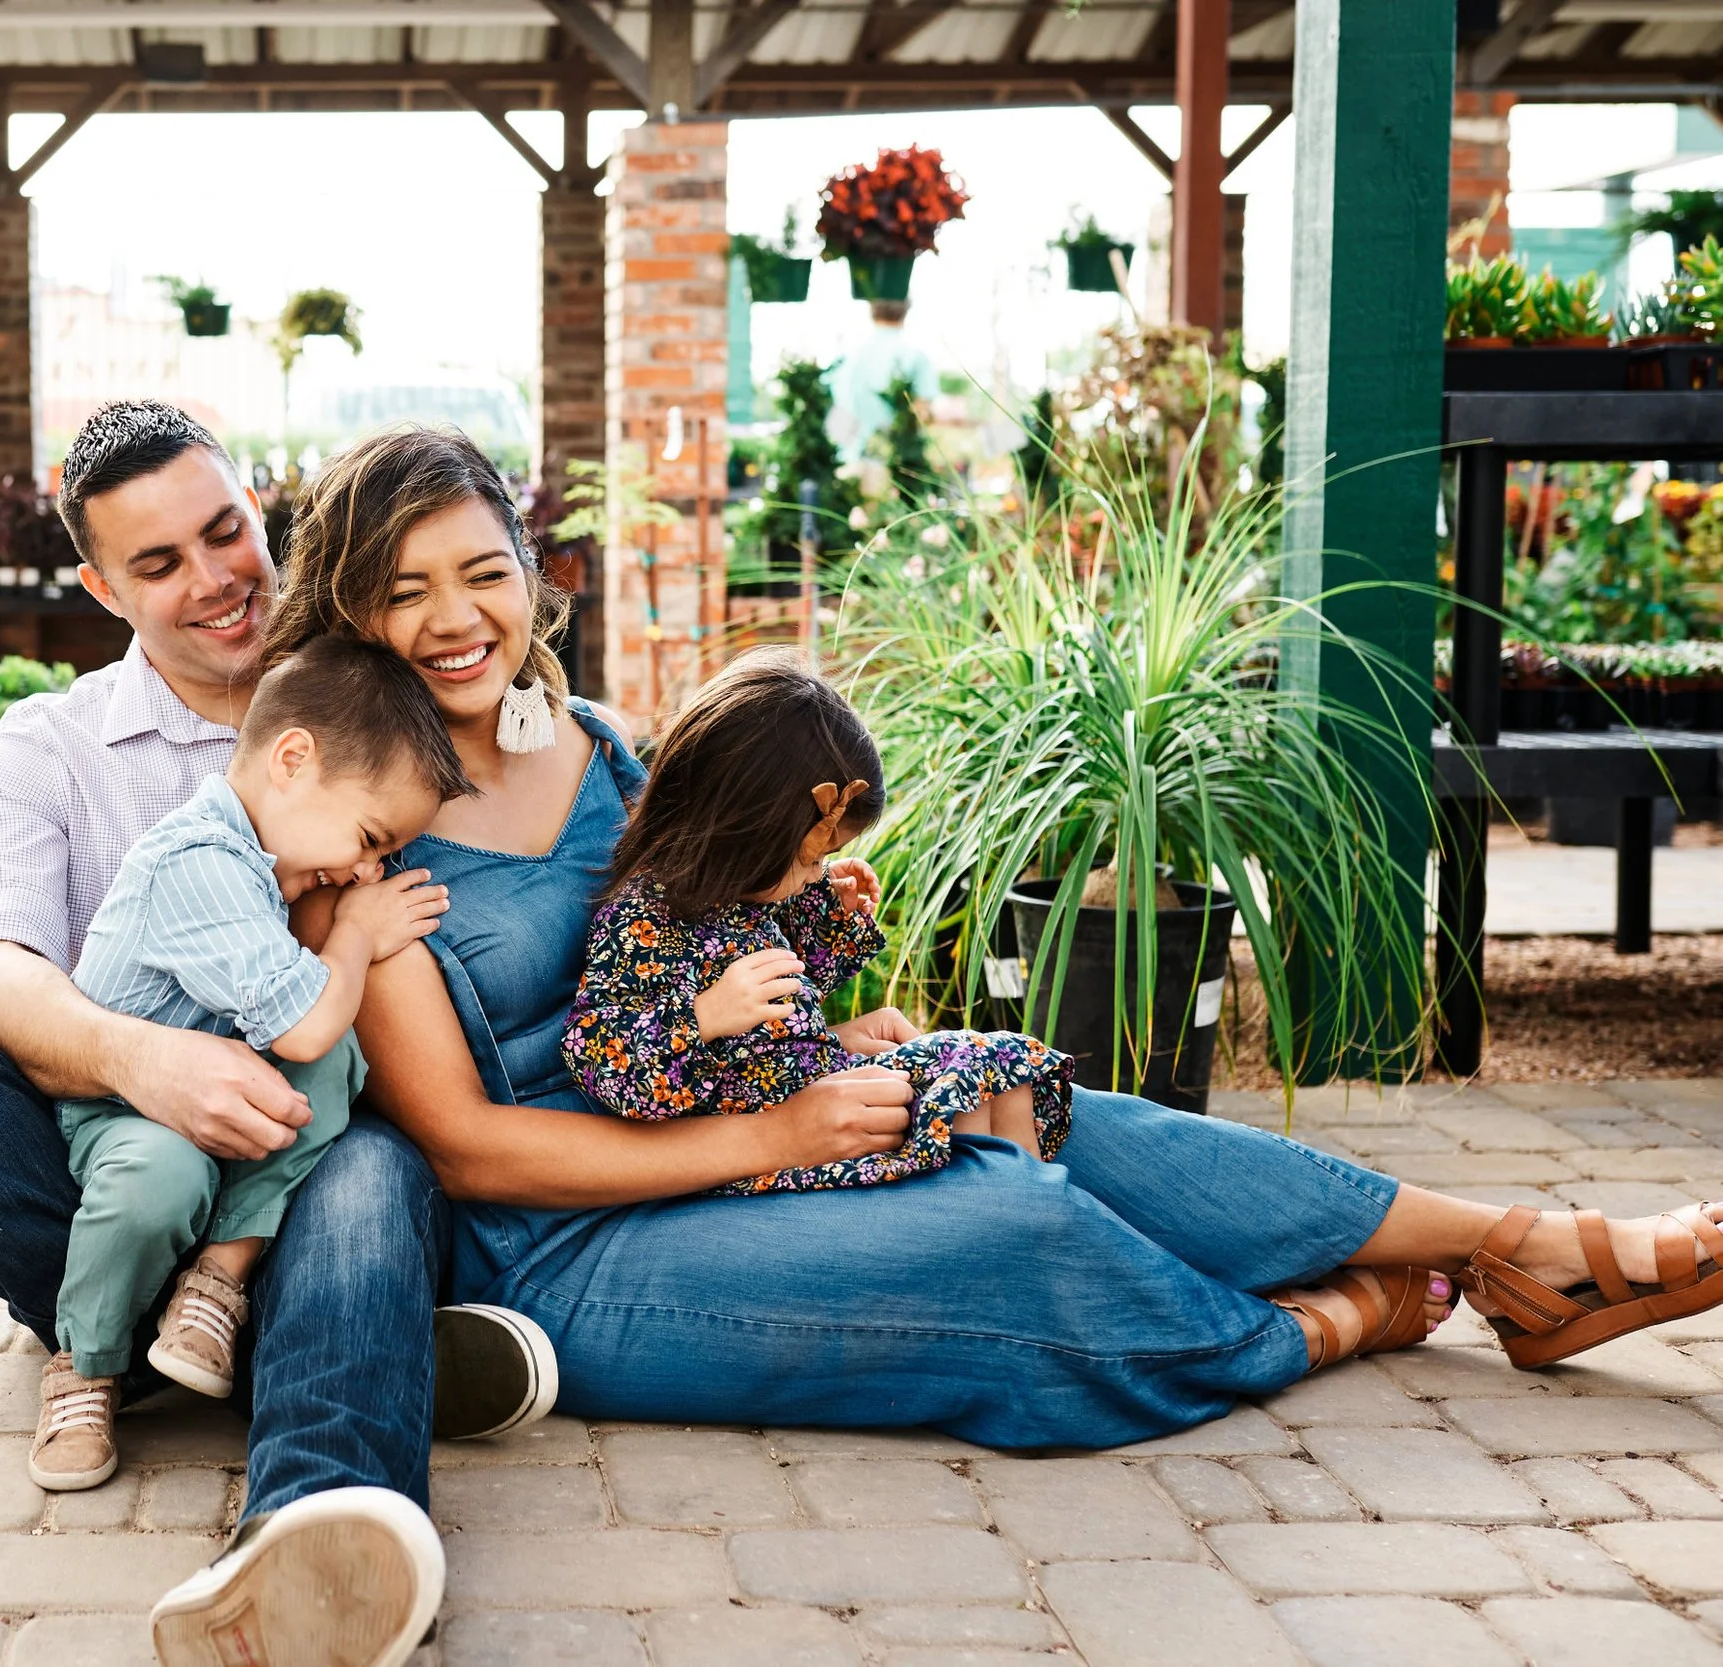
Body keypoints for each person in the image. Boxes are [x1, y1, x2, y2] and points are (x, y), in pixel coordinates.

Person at [256, 421, 1723, 1448]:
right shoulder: (361, 843)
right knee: (1014, 1222)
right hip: (561, 1243)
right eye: (403, 592)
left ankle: (1521, 1250)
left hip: (723, 1119)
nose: (457, 617)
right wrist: (777, 1138)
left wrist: (831, 1036)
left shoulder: (600, 746)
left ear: (529, 566)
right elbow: (465, 1149)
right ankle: (1316, 1324)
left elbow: (701, 953)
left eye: (481, 570)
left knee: (1062, 1109)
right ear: (351, 615)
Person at [0, 401, 558, 1667]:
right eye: (159, 563)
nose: (215, 580)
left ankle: (313, 1521)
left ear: (260, 514)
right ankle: (321, 1338)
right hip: (111, 1149)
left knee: (368, 1161)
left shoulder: (376, 701)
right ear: (102, 586)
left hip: (296, 1162)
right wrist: (145, 1059)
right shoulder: (43, 751)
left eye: (226, 533)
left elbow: (541, 749)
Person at [35, 634, 471, 1493]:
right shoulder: (198, 862)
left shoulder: (261, 859)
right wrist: (353, 933)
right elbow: (304, 1022)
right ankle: (84, 1363)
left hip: (223, 1085)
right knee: (162, 1172)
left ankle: (217, 1280)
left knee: (333, 1069)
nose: (365, 866)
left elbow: (313, 1050)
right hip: (126, 1110)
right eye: (370, 835)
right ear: (293, 758)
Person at [561, 648, 1070, 1191]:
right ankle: (1006, 1216)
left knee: (1002, 1073)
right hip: (774, 1144)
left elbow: (795, 990)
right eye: (809, 859)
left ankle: (1020, 1207)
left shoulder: (739, 895)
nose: (815, 872)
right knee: (981, 1070)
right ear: (746, 833)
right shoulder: (642, 922)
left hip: (819, 1089)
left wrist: (830, 909)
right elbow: (600, 1059)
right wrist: (704, 1017)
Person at [829, 297, 935, 460]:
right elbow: (922, 413)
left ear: (872, 309)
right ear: (906, 310)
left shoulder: (849, 356)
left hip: (848, 455)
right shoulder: (916, 357)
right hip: (895, 459)